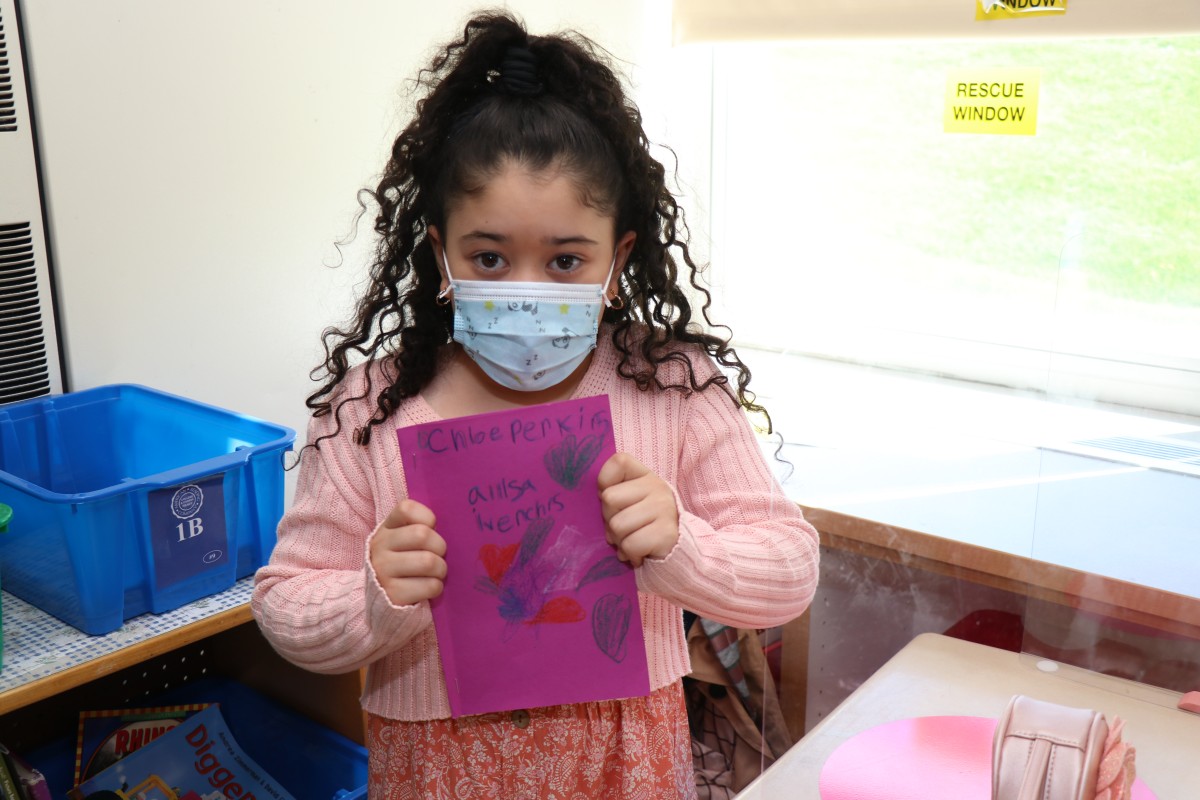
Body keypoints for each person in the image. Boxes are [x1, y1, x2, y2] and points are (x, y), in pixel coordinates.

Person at [251, 10, 819, 799]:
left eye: (564, 260)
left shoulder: (671, 389)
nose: (526, 290)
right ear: (440, 254)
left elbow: (790, 571)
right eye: (489, 256)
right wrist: (373, 594)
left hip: (626, 765)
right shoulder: (368, 413)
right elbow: (283, 608)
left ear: (617, 260)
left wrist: (681, 548)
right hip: (440, 772)